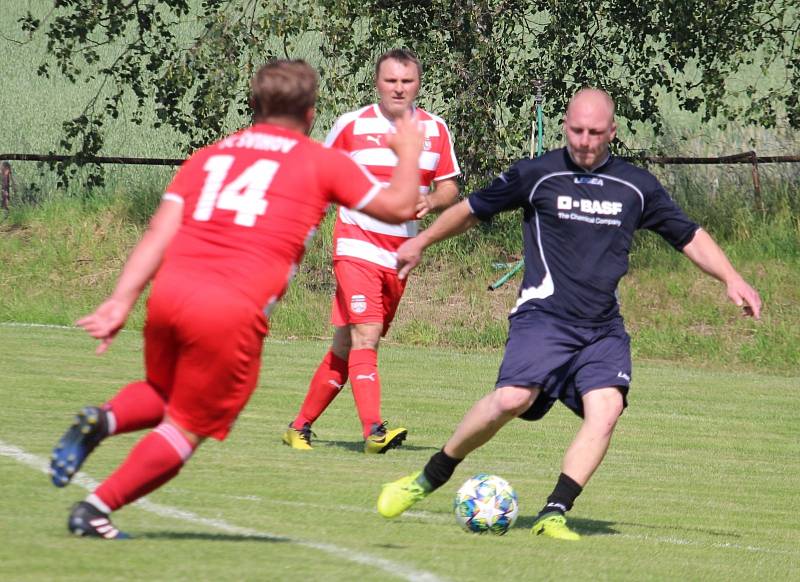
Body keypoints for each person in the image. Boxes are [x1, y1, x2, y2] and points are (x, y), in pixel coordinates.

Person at [48, 59, 425, 540]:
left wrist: (120, 300)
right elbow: (395, 208)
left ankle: (103, 419)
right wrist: (408, 151)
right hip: (230, 308)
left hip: (170, 293)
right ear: (310, 114)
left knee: (165, 391)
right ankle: (96, 508)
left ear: (255, 105)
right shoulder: (317, 160)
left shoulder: (210, 156)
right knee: (189, 425)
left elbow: (160, 231)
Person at [375, 88, 762, 540]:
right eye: (577, 130)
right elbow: (472, 210)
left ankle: (554, 512)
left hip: (601, 329)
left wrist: (731, 277)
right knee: (511, 399)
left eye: (595, 132)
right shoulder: (537, 174)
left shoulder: (636, 186)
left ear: (612, 132)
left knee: (607, 409)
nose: (584, 140)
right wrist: (421, 241)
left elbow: (688, 235)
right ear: (565, 127)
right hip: (544, 318)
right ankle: (428, 478)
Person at [282, 48, 460, 454]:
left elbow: (449, 186)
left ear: (418, 84)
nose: (399, 88)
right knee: (368, 335)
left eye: (407, 81)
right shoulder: (351, 125)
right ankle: (374, 431)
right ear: (377, 83)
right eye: (391, 81)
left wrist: (432, 202)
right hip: (355, 246)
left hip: (399, 257)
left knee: (345, 346)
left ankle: (299, 426)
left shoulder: (435, 129)